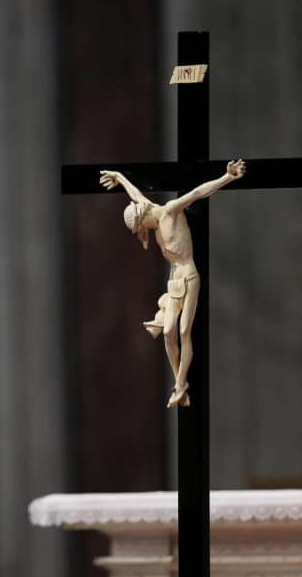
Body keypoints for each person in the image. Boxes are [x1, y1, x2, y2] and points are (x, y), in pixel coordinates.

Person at [100, 159, 247, 407]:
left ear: (144, 217)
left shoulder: (169, 211)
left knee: (183, 331)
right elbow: (136, 194)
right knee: (168, 332)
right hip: (174, 281)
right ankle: (179, 383)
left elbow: (198, 193)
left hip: (189, 277)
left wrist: (228, 177)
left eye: (141, 227)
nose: (143, 232)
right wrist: (119, 176)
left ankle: (180, 385)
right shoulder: (151, 216)